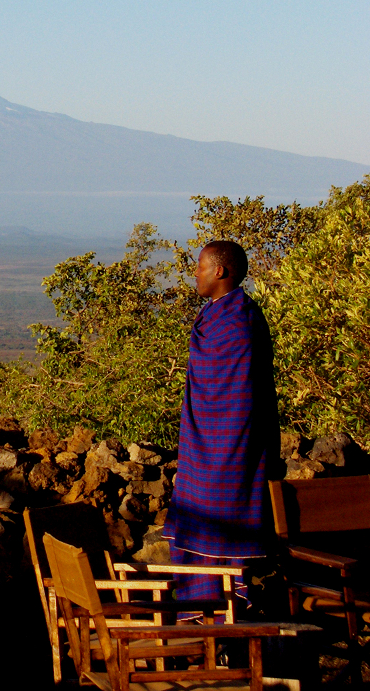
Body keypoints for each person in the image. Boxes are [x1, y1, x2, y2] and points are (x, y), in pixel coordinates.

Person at [163, 240, 281, 614]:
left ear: (220, 271)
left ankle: (220, 623)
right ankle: (202, 623)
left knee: (218, 536)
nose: (194, 274)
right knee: (193, 534)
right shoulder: (217, 315)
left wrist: (219, 444)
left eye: (199, 267)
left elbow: (241, 397)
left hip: (228, 451)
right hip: (202, 449)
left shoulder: (239, 321)